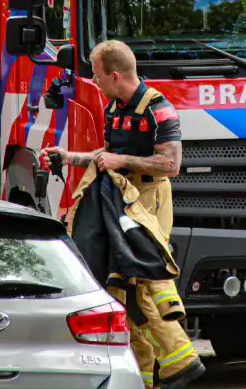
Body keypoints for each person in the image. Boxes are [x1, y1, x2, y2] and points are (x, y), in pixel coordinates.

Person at [44, 39, 202, 389]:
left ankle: (183, 361)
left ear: (114, 75)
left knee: (142, 273)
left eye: (98, 75)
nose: (95, 82)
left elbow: (171, 164)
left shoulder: (158, 108)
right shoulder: (114, 107)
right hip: (122, 195)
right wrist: (71, 157)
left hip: (149, 197)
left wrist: (122, 161)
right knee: (122, 288)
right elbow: (109, 153)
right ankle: (143, 378)